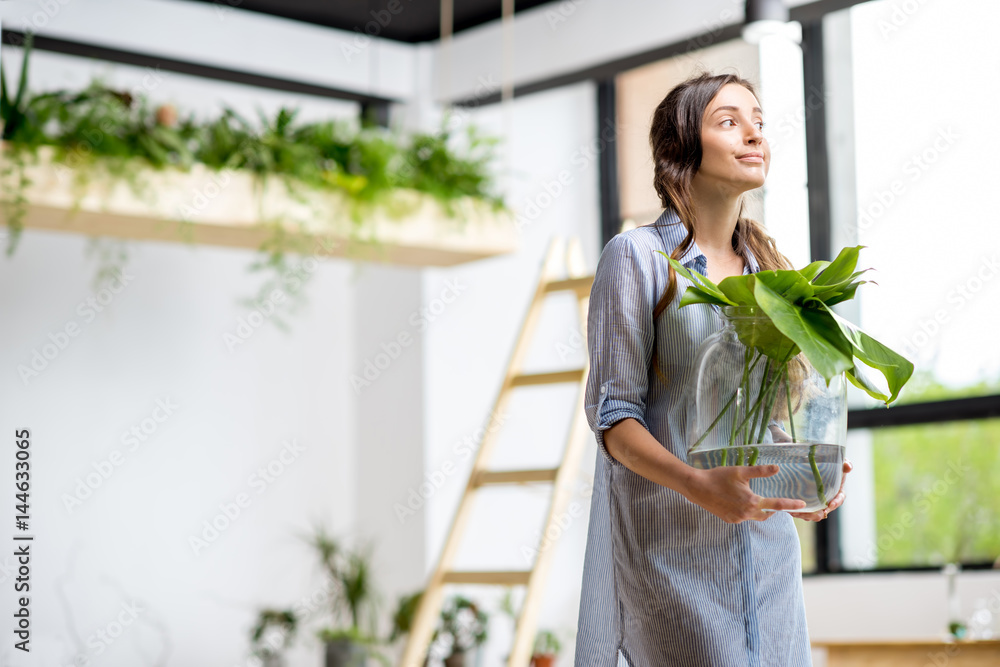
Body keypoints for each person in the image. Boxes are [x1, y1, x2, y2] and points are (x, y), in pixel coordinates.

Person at [574, 72, 853, 666]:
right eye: (729, 121)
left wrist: (803, 480)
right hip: (675, 555)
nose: (753, 133)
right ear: (683, 149)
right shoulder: (638, 258)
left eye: (758, 120)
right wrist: (701, 486)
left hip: (768, 554)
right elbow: (613, 418)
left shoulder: (769, 272)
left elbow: (764, 422)